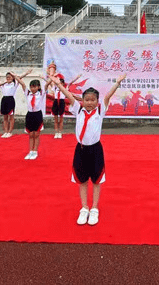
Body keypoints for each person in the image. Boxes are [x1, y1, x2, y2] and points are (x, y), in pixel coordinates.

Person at [49, 73, 126, 226]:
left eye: (93, 100)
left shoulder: (100, 111)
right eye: (87, 100)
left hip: (96, 150)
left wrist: (117, 83)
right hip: (81, 150)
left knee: (96, 180)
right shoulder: (78, 109)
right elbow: (69, 95)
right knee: (82, 180)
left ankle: (95, 208)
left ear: (97, 101)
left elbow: (108, 96)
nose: (89, 103)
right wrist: (58, 85)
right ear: (82, 101)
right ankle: (84, 208)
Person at [0, 70, 31, 138]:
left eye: (10, 77)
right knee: (5, 117)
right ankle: (5, 131)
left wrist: (26, 73)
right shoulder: (3, 84)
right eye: (7, 77)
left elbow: (20, 77)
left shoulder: (15, 83)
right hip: (4, 100)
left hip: (10, 100)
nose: (8, 79)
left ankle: (10, 132)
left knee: (11, 117)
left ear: (12, 78)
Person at [15, 74, 48, 160]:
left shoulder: (41, 93)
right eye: (31, 87)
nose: (33, 89)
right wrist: (16, 76)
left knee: (36, 134)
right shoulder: (28, 93)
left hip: (37, 114)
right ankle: (30, 151)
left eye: (34, 87)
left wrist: (47, 77)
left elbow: (47, 84)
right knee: (31, 134)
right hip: (30, 115)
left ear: (38, 87)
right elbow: (22, 84)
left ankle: (35, 151)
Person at [46, 72, 83, 138]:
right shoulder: (55, 88)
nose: (59, 84)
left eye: (61, 83)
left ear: (63, 83)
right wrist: (52, 77)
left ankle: (60, 132)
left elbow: (71, 82)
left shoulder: (65, 89)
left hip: (61, 102)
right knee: (56, 119)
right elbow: (48, 82)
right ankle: (56, 132)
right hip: (55, 102)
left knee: (61, 119)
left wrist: (77, 77)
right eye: (58, 83)